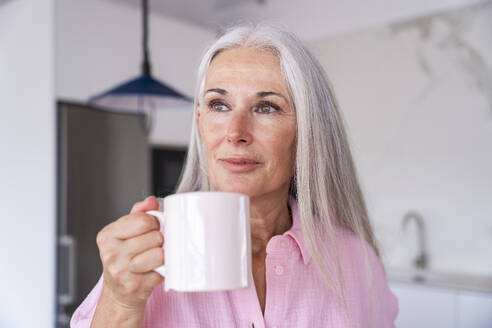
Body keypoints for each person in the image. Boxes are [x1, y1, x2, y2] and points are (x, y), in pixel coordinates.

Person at [71, 23, 398, 328]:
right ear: (200, 121)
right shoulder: (147, 260)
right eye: (219, 105)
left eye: (266, 107)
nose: (235, 133)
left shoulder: (357, 262)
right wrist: (120, 303)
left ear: (307, 130)